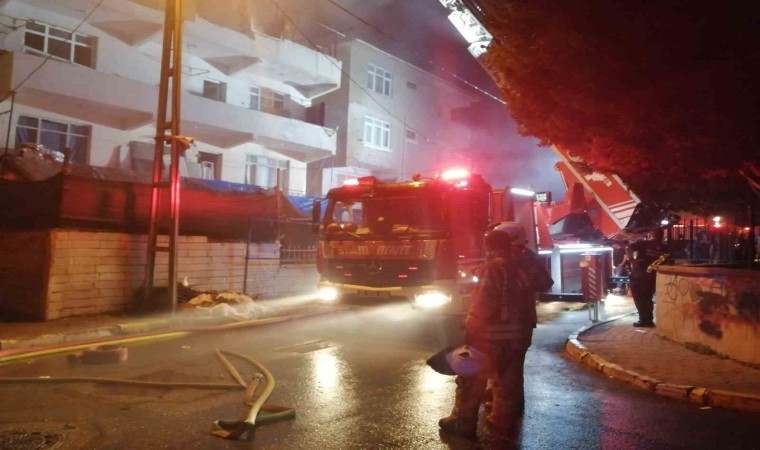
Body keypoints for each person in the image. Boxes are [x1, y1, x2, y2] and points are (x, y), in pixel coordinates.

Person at [439, 222, 553, 440]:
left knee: (472, 377)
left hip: (491, 335)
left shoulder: (493, 267)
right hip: (521, 334)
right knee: (509, 378)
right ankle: (503, 422)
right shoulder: (524, 264)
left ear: (488, 246)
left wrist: (470, 328)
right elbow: (545, 283)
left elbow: (484, 302)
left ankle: (463, 422)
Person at [627, 228, 669, 327]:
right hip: (652, 276)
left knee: (640, 298)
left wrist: (632, 260)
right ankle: (647, 320)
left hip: (640, 275)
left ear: (652, 234)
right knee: (647, 298)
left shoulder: (643, 243)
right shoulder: (665, 246)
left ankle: (644, 320)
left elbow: (628, 248)